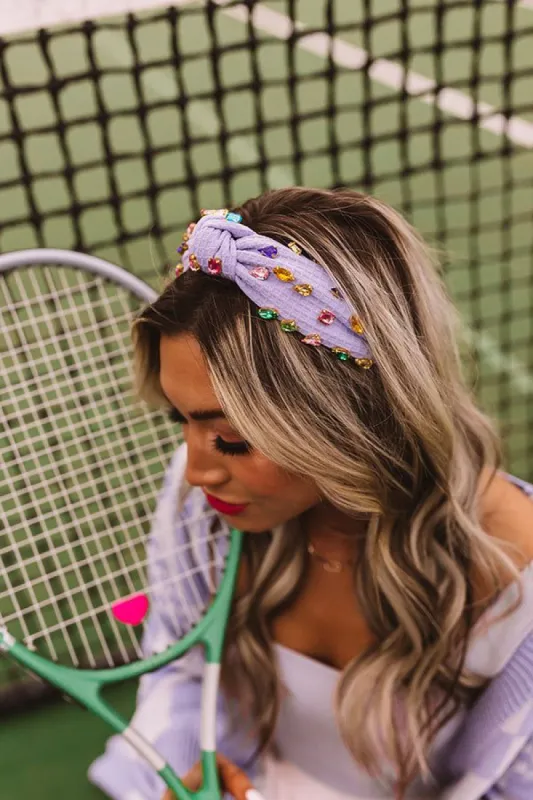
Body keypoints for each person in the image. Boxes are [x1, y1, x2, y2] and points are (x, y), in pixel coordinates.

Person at [89, 187, 533, 800]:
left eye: (233, 440)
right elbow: (182, 676)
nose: (194, 472)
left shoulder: (520, 578)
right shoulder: (212, 505)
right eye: (179, 421)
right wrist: (182, 781)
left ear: (345, 418)